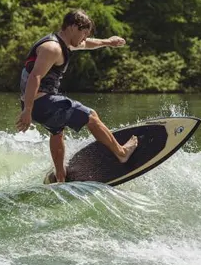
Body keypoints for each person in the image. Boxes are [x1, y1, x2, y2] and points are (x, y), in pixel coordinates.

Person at [15, 9, 138, 182]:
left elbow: (87, 44)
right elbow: (35, 77)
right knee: (91, 116)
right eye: (84, 33)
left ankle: (60, 176)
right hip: (40, 102)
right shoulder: (52, 48)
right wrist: (27, 110)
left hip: (38, 103)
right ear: (73, 27)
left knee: (57, 132)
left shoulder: (63, 43)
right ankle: (122, 153)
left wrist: (108, 42)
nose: (85, 38)